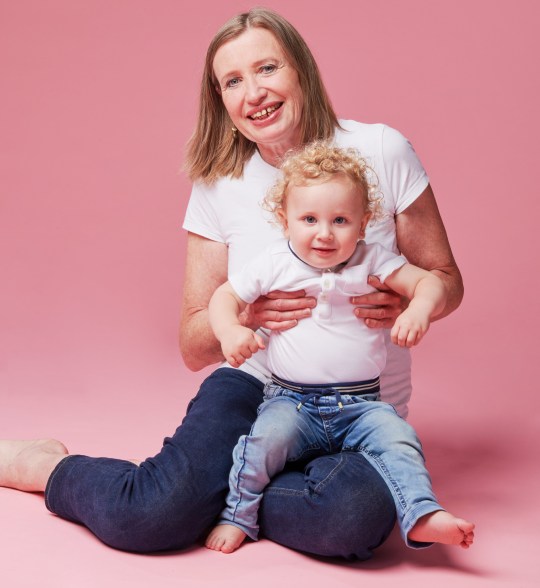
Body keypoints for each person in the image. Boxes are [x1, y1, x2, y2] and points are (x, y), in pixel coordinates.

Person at [0, 8, 464, 559]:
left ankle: (209, 498)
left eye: (267, 68)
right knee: (148, 516)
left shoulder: (383, 150)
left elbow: (446, 280)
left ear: (302, 71)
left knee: (353, 517)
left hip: (362, 405)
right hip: (258, 388)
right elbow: (194, 345)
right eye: (233, 81)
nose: (254, 93)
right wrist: (249, 315)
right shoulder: (220, 183)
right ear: (220, 99)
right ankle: (47, 465)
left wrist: (411, 303)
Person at [204, 142, 474, 554]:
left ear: (363, 224)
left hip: (362, 405)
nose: (324, 233)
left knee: (399, 440)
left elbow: (430, 282)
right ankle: (238, 514)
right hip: (291, 402)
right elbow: (224, 297)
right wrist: (229, 333)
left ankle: (422, 514)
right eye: (309, 219)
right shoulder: (275, 262)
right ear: (284, 220)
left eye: (341, 220)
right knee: (263, 442)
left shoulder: (372, 259)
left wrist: (418, 309)